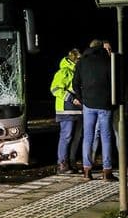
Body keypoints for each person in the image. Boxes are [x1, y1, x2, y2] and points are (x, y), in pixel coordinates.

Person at [72, 39, 117, 181]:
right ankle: (107, 171)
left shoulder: (82, 62)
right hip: (105, 104)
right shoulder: (108, 62)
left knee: (88, 137)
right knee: (106, 137)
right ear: (101, 48)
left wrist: (83, 98)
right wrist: (112, 101)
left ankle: (87, 170)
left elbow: (75, 83)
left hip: (88, 105)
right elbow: (114, 83)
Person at [50, 49, 82, 174]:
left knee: (75, 138)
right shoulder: (63, 72)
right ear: (74, 59)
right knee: (66, 136)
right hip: (66, 109)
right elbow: (55, 89)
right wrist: (72, 99)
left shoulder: (78, 72)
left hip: (78, 110)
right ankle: (62, 164)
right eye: (79, 59)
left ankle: (70, 162)